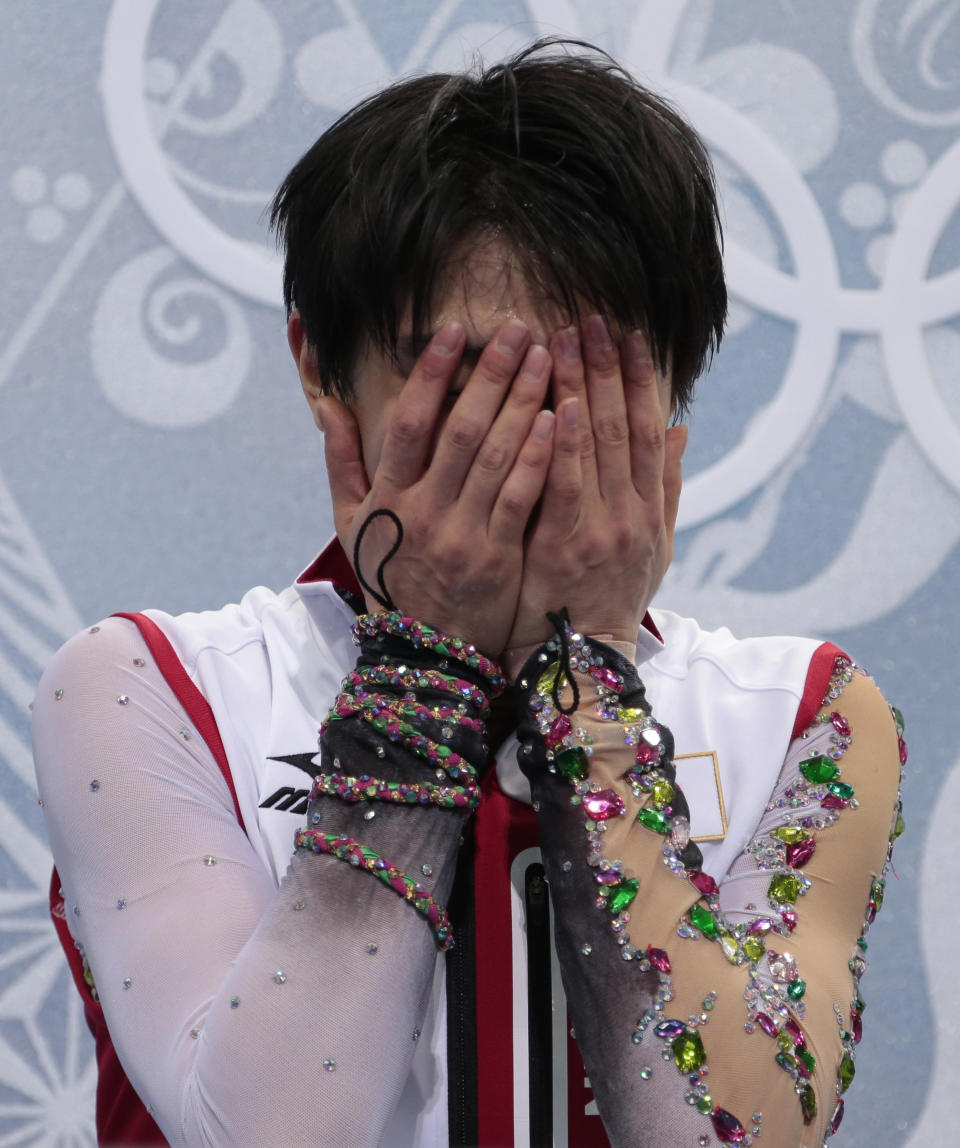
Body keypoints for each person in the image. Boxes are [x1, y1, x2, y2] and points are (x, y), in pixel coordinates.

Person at [33, 41, 904, 1148]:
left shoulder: (806, 712)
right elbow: (272, 1131)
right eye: (469, 384)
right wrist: (423, 666)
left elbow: (732, 1134)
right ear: (320, 366)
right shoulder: (147, 686)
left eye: (575, 383)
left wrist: (591, 684)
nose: (517, 448)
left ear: (670, 390)